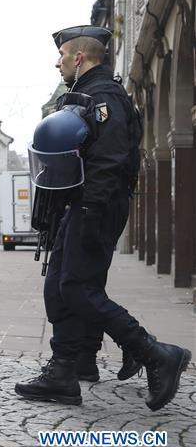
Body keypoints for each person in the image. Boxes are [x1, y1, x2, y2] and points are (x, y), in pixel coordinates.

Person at [15, 25, 190, 411]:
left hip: (96, 205)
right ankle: (65, 371)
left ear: (79, 57)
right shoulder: (86, 93)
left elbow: (109, 162)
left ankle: (156, 354)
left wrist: (90, 211)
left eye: (62, 56)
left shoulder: (104, 96)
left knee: (78, 287)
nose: (57, 62)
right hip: (81, 205)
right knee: (61, 286)